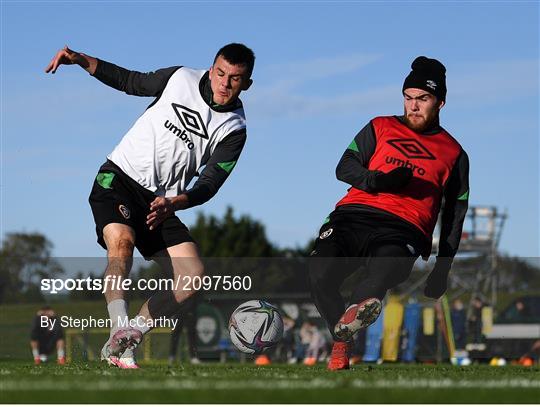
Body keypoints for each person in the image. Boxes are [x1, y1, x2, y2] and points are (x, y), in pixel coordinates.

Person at [45, 43, 255, 369]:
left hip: (162, 203)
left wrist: (176, 202)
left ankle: (129, 337)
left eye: (235, 79)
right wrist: (81, 60)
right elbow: (130, 81)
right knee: (122, 244)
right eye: (220, 73)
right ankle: (118, 327)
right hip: (119, 180)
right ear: (211, 68)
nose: (224, 84)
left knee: (193, 278)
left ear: (247, 84)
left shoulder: (235, 129)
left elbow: (210, 183)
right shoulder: (180, 78)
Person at [309, 56, 469, 370]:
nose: (414, 106)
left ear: (440, 103)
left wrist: (442, 269)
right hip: (353, 215)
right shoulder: (380, 126)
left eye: (422, 99)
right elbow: (344, 167)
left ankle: (341, 345)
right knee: (319, 274)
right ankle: (343, 336)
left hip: (404, 228)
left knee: (378, 277)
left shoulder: (454, 153)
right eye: (408, 98)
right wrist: (377, 180)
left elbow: (454, 215)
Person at [168, 293, 200, 365]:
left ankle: (193, 357)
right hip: (179, 311)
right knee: (175, 334)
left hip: (190, 310)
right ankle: (172, 356)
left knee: (191, 334)